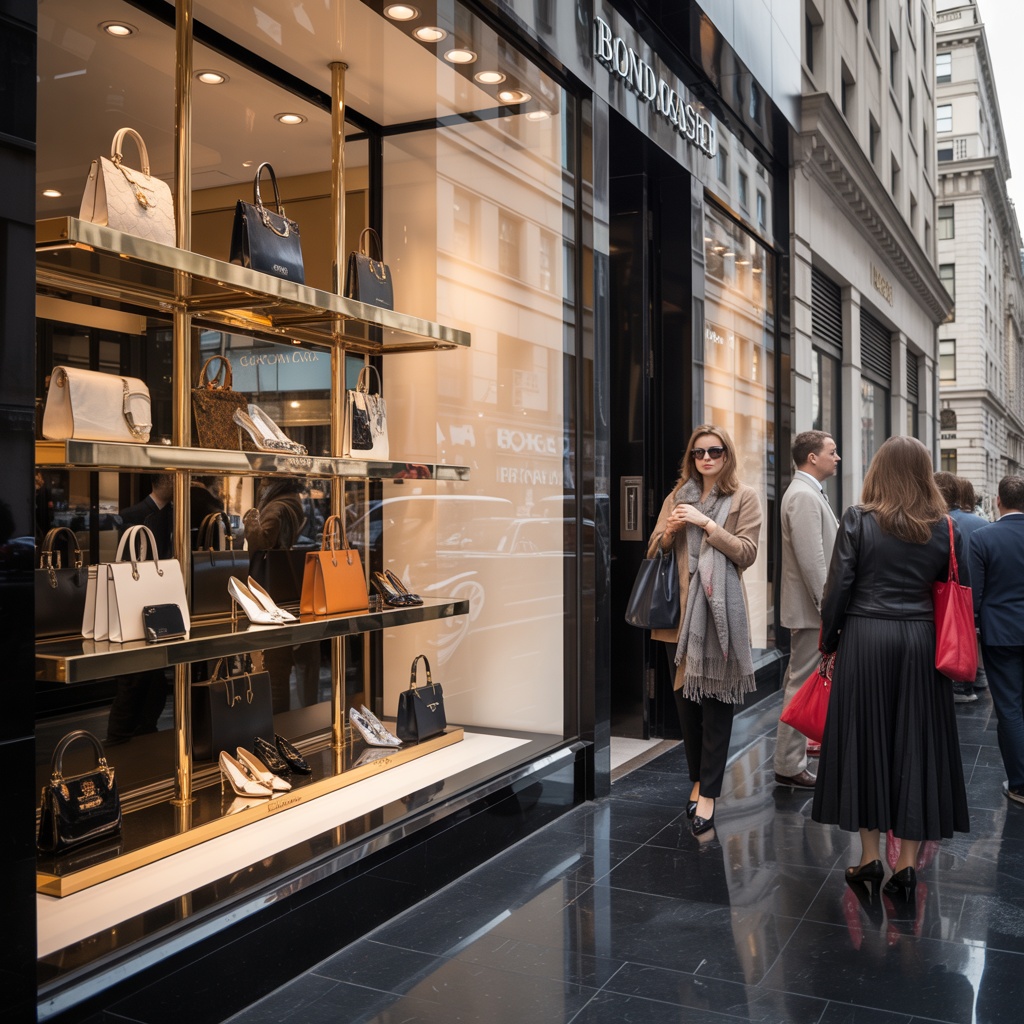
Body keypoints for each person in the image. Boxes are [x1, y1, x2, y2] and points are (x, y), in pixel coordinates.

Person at [813, 436, 970, 904]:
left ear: (878, 470)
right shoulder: (945, 527)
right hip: (921, 642)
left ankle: (868, 858)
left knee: (866, 744)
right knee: (917, 748)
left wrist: (831, 641)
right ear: (925, 473)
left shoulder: (858, 520)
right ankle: (906, 868)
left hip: (865, 638)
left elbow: (837, 590)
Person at [647, 424, 761, 836]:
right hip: (678, 619)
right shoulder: (677, 497)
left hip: (719, 620)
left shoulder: (743, 497)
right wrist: (672, 530)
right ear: (691, 459)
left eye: (714, 451)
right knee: (686, 709)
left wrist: (708, 525)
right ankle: (697, 779)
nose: (707, 458)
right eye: (699, 453)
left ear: (726, 455)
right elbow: (654, 548)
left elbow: (746, 553)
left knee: (715, 708)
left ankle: (709, 792)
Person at [774, 430, 840, 788]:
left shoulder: (807, 492)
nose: (837, 457)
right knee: (800, 684)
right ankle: (787, 765)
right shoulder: (802, 495)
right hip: (812, 611)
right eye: (832, 451)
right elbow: (813, 561)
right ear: (812, 457)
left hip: (813, 610)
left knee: (799, 682)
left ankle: (791, 760)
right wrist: (828, 608)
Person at [967, 475, 1024, 805]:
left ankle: (1019, 782)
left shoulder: (983, 537)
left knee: (1010, 708)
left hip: (1000, 633)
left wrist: (973, 626)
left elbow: (974, 592)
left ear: (999, 501)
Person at [244, 478, 320, 712]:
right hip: (293, 590)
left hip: (274, 593)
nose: (260, 484)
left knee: (275, 671)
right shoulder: (294, 503)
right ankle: (299, 719)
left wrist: (250, 521)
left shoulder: (276, 508)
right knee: (289, 667)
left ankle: (280, 728)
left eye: (264, 479)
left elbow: (262, 541)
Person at [934, 472, 988, 702]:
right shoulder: (982, 524)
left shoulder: (935, 524)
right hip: (975, 599)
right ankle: (974, 674)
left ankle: (957, 684)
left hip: (942, 596)